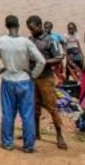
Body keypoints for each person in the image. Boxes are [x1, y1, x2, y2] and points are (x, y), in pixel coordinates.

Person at [0, 15, 45, 153]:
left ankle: (8, 143)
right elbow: (42, 61)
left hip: (8, 80)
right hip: (24, 81)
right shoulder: (26, 42)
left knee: (8, 114)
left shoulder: (1, 41)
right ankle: (28, 146)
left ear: (6, 26)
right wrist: (34, 74)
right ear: (18, 25)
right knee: (27, 115)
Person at [26, 15, 67, 150]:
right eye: (29, 29)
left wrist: (43, 62)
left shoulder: (50, 40)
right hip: (33, 77)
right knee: (34, 106)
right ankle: (36, 133)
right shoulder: (30, 40)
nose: (31, 31)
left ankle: (59, 135)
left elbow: (59, 57)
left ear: (40, 25)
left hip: (46, 78)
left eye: (33, 28)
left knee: (52, 107)